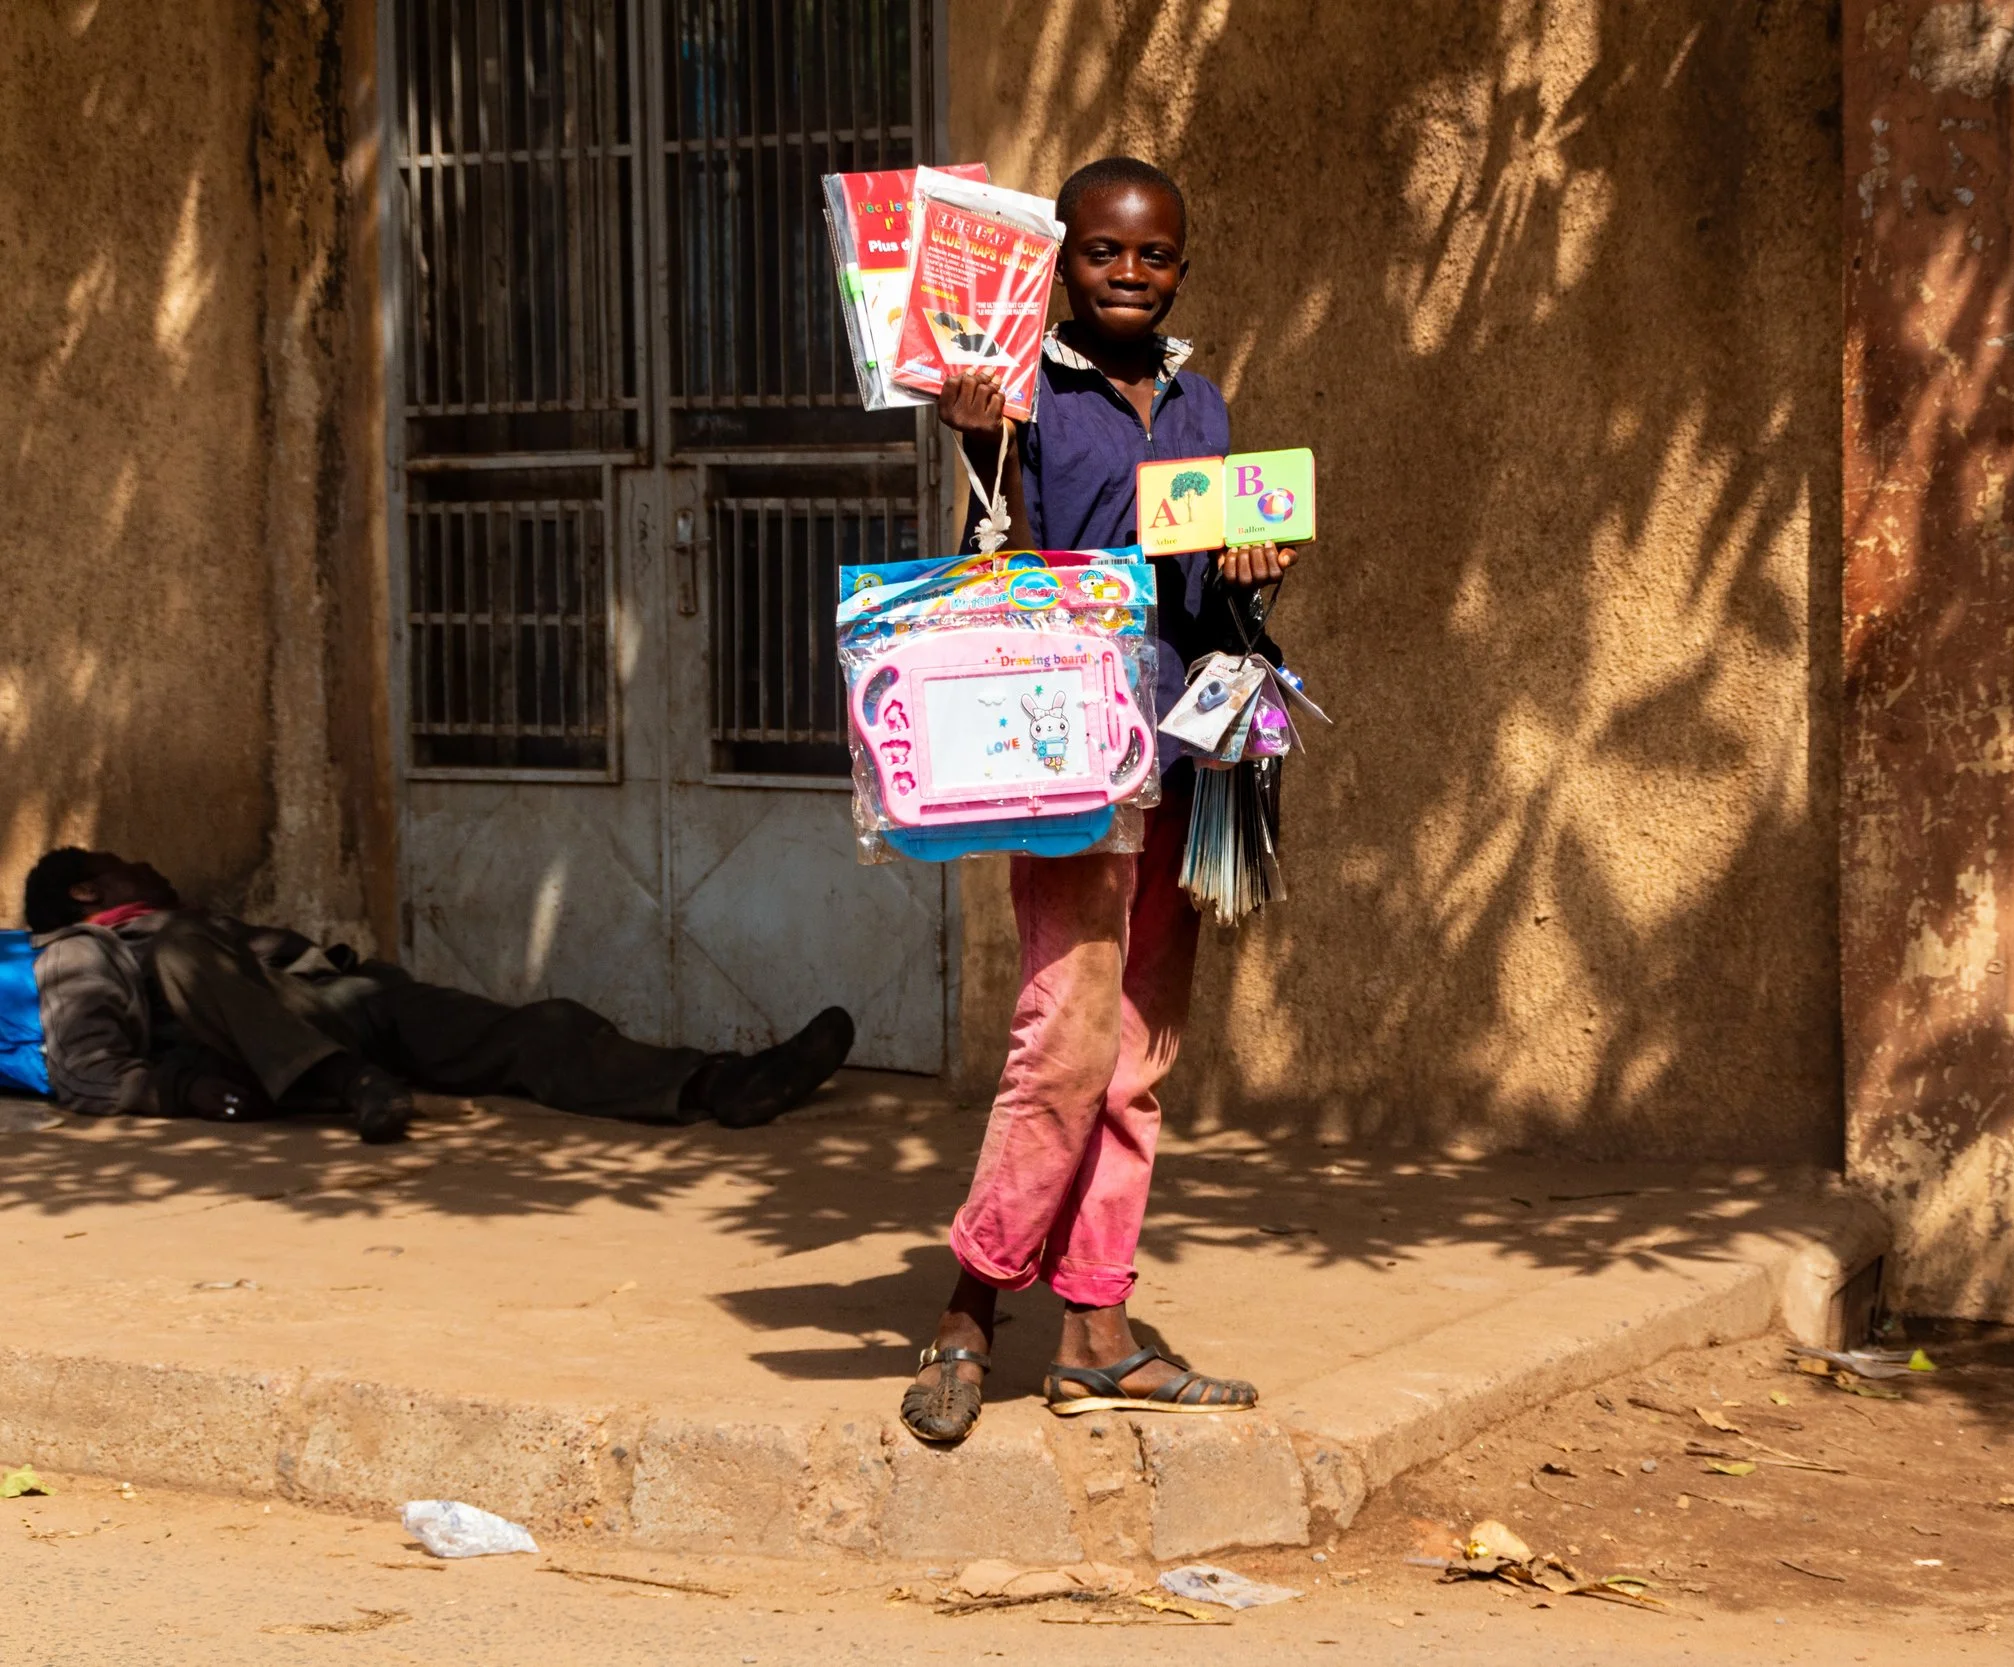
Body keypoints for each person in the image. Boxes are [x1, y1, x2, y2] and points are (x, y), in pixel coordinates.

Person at [898, 157, 1296, 1441]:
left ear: (1183, 265)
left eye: (1155, 253)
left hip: (1182, 747)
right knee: (1062, 1042)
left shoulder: (1200, 398)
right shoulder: (1015, 390)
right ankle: (969, 1308)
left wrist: (1256, 561)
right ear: (1061, 260)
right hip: (1066, 748)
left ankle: (1096, 1329)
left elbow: (1212, 573)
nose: (1130, 272)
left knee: (1138, 1056)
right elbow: (996, 549)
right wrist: (978, 439)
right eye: (1104, 251)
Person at [22, 847, 855, 1144]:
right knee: (181, 943)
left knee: (537, 1029)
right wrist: (187, 1089)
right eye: (124, 863)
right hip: (280, 1056)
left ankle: (715, 1083)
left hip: (348, 1006)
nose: (149, 866)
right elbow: (86, 1072)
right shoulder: (83, 948)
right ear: (89, 889)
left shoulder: (191, 924)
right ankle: (350, 1084)